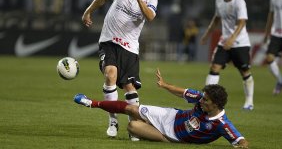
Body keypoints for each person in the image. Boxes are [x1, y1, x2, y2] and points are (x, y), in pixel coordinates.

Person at [73, 69, 249, 148]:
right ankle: (91, 103)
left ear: (216, 105)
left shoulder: (221, 124)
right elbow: (182, 93)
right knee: (132, 109)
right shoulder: (201, 98)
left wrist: (241, 146)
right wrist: (164, 85)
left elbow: (241, 140)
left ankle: (148, 134)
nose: (202, 102)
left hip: (172, 137)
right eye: (203, 98)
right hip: (172, 116)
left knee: (132, 127)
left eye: (206, 101)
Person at [81, 0, 159, 140]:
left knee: (129, 88)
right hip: (109, 40)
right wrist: (88, 11)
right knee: (110, 74)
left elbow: (150, 17)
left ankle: (135, 128)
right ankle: (113, 121)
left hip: (130, 47)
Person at [200, 0, 254, 110]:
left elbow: (242, 22)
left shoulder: (239, 1)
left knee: (244, 71)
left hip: (240, 43)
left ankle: (249, 101)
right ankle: (206, 98)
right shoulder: (219, 0)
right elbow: (216, 19)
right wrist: (207, 34)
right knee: (214, 68)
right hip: (224, 43)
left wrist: (232, 39)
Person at [263, 0, 282, 95]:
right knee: (269, 58)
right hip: (276, 33)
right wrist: (266, 32)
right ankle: (280, 81)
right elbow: (271, 14)